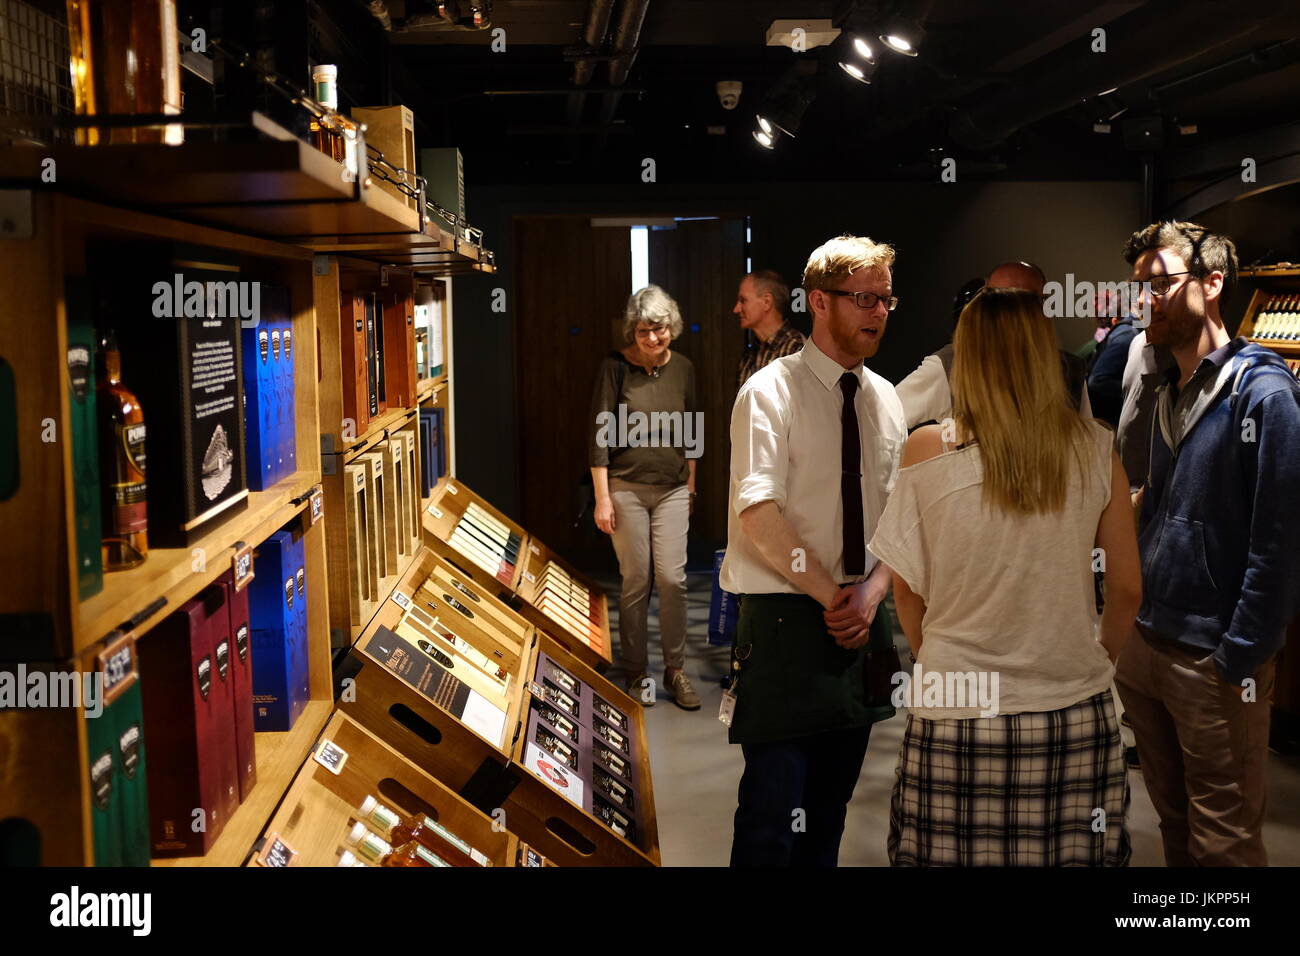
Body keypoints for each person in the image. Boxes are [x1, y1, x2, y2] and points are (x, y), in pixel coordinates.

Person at [869, 288, 1141, 867]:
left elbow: (906, 590)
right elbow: (1126, 588)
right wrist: (1096, 661)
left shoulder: (927, 449)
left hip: (954, 704)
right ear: (1045, 355)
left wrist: (938, 658)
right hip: (1072, 705)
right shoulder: (1096, 449)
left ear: (966, 358)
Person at [1114, 220, 1300, 866]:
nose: (1147, 301)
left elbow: (1280, 541)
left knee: (1223, 839)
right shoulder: (1168, 384)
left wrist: (1240, 653)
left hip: (1212, 657)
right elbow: (1141, 491)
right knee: (1173, 822)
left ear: (1213, 282)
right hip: (1148, 639)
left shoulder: (1264, 394)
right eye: (1141, 288)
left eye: (1161, 284)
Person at [722, 234, 906, 866]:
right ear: (818, 302)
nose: (879, 312)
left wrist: (873, 593)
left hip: (860, 621)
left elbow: (898, 516)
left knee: (827, 815)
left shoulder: (886, 398)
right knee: (772, 819)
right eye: (864, 298)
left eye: (886, 299)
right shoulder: (769, 393)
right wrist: (834, 595)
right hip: (786, 621)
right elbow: (759, 515)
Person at [587, 285, 701, 710]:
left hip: (672, 488)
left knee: (673, 579)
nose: (653, 340)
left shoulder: (684, 368)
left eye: (659, 330)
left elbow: (694, 429)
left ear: (671, 327)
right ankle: (637, 672)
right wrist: (603, 498)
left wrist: (692, 485)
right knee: (636, 580)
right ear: (631, 333)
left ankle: (675, 670)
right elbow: (599, 436)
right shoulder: (614, 369)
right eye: (643, 332)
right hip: (625, 489)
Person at [895, 260, 1091, 429]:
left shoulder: (1069, 370)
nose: (1012, 313)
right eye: (998, 300)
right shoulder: (950, 364)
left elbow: (1087, 450)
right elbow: (889, 419)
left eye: (1026, 303)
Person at [734, 269, 805, 388]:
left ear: (767, 302)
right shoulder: (749, 355)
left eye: (743, 300)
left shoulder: (796, 349)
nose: (736, 309)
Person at [1087, 308, 1140, 428]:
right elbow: (1097, 380)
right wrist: (1135, 390)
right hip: (1111, 419)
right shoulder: (1128, 333)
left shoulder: (1126, 330)